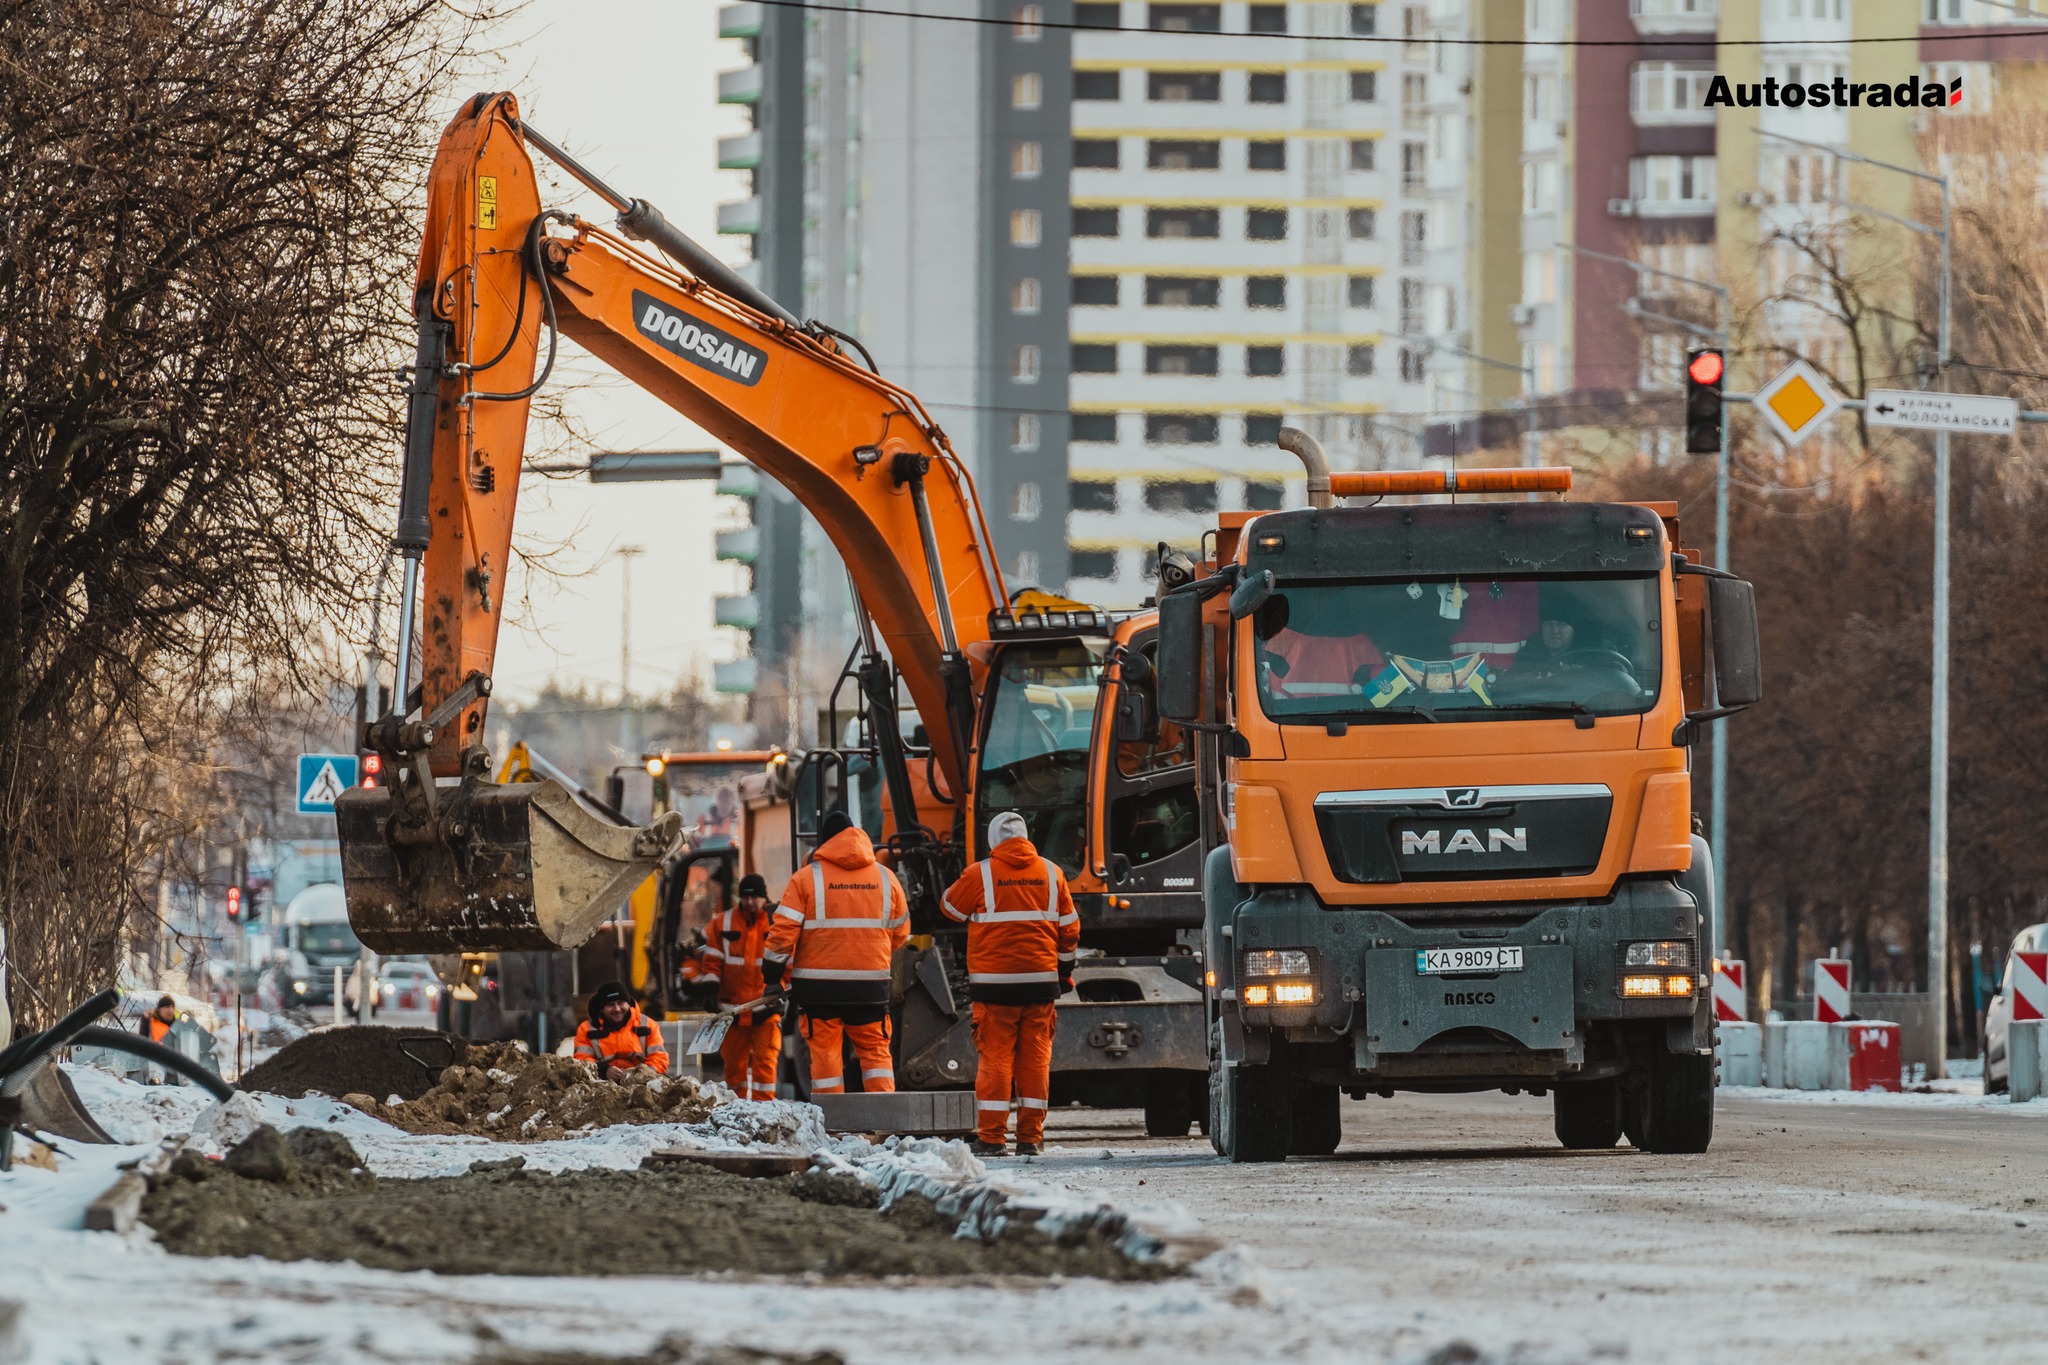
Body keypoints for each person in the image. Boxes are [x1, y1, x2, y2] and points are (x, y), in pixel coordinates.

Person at [941, 811, 1080, 1158]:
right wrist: (1063, 972)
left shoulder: (981, 873)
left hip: (993, 986)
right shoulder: (1052, 872)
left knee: (996, 1060)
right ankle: (1031, 1138)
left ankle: (991, 1138)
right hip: (1040, 983)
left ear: (992, 841)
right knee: (1035, 1059)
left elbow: (949, 909)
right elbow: (1070, 929)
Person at [762, 809, 910, 1096]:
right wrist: (869, 955)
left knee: (826, 1055)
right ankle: (884, 1124)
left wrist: (772, 977)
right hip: (870, 986)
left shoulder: (806, 879)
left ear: (824, 842)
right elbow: (901, 933)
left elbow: (781, 936)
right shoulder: (885, 877)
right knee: (875, 1053)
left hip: (820, 990)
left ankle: (835, 1128)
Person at [700, 872, 783, 1101]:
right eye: (745, 897)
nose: (749, 902)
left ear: (763, 897)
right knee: (734, 1066)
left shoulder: (776, 923)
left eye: (755, 897)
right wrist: (709, 991)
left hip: (766, 1007)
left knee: (765, 1062)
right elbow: (712, 961)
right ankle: (736, 1107)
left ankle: (764, 1107)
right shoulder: (722, 922)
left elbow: (787, 960)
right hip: (733, 1009)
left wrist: (783, 991)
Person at [573, 981, 670, 1080]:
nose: (617, 1009)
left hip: (643, 1083)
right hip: (601, 1084)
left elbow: (659, 1058)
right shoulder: (585, 1029)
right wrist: (604, 1071)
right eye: (610, 1005)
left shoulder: (648, 1025)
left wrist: (643, 1075)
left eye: (621, 1003)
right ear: (601, 1009)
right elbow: (581, 1060)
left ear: (628, 1004)